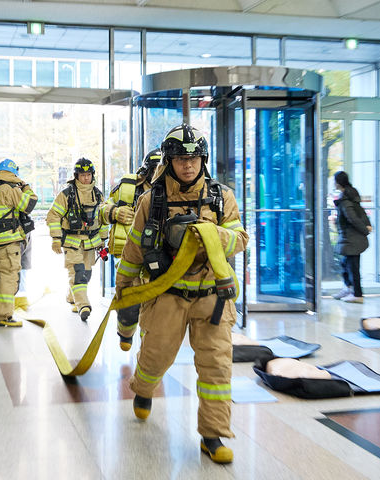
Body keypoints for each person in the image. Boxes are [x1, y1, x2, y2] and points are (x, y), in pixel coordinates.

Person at [114, 124, 248, 464]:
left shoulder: (222, 197)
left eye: (194, 158)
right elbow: (132, 250)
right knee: (155, 357)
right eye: (180, 158)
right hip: (166, 295)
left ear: (202, 159)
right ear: (169, 161)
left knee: (216, 368)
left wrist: (210, 234)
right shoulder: (151, 200)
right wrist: (124, 292)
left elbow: (240, 238)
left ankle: (212, 435)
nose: (188, 165)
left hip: (212, 298)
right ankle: (143, 391)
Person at [103, 147, 161, 351]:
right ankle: (125, 334)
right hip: (130, 254)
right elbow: (103, 208)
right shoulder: (128, 188)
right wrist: (115, 212)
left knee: (155, 306)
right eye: (154, 169)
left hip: (160, 256)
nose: (157, 174)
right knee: (128, 300)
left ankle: (148, 345)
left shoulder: (173, 190)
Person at [47, 158, 111, 321]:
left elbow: (102, 219)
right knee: (78, 273)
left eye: (88, 175)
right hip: (72, 241)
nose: (86, 178)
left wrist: (103, 240)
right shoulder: (67, 194)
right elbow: (53, 215)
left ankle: (72, 297)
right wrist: (56, 238)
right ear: (76, 176)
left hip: (91, 242)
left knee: (86, 274)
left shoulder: (97, 194)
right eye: (82, 175)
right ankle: (84, 305)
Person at [0, 159, 37, 327]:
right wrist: (25, 186)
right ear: (13, 173)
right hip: (7, 242)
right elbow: (30, 203)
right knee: (9, 277)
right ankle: (4, 316)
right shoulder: (9, 188)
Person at [332, 170, 372, 304]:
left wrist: (365, 229)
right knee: (346, 264)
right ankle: (348, 288)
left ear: (338, 182)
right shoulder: (351, 196)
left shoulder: (345, 200)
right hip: (350, 237)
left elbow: (353, 218)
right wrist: (367, 225)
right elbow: (361, 212)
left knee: (352, 266)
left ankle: (357, 293)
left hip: (351, 237)